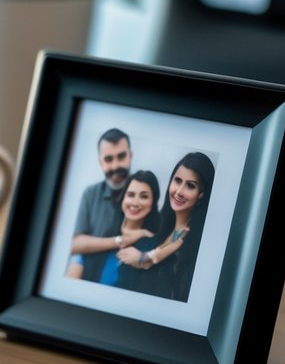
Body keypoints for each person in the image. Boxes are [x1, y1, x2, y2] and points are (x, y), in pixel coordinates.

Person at [117, 152, 216, 302]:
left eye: (190, 186)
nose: (179, 191)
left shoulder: (192, 239)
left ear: (201, 194)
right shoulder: (162, 230)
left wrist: (142, 258)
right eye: (177, 181)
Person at [68, 129, 152, 281]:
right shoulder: (91, 193)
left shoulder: (146, 191)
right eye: (108, 159)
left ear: (130, 155)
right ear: (100, 162)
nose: (115, 165)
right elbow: (76, 244)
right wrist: (121, 240)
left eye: (121, 156)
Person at [105, 171, 162, 292]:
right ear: (123, 197)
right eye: (130, 194)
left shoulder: (152, 247)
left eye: (144, 196)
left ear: (153, 202)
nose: (135, 203)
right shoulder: (104, 229)